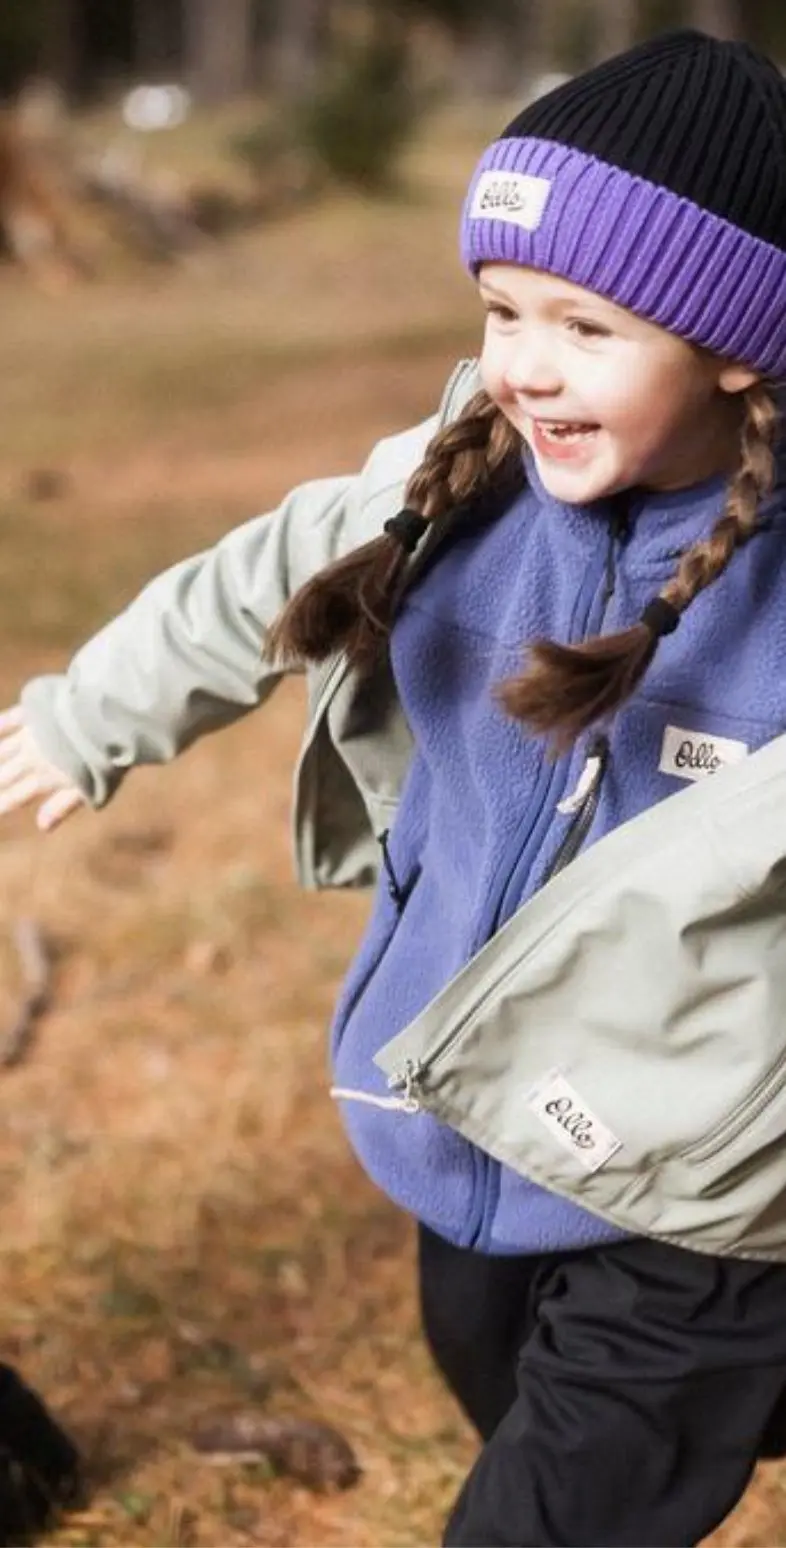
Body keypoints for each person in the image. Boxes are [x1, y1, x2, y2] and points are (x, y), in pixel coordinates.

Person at [0, 26, 784, 1547]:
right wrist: (92, 713)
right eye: (501, 310)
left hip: (701, 1183)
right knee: (485, 1359)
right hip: (470, 1103)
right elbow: (255, 582)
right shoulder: (464, 484)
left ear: (736, 341)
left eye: (585, 325)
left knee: (548, 1501)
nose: (525, 362)